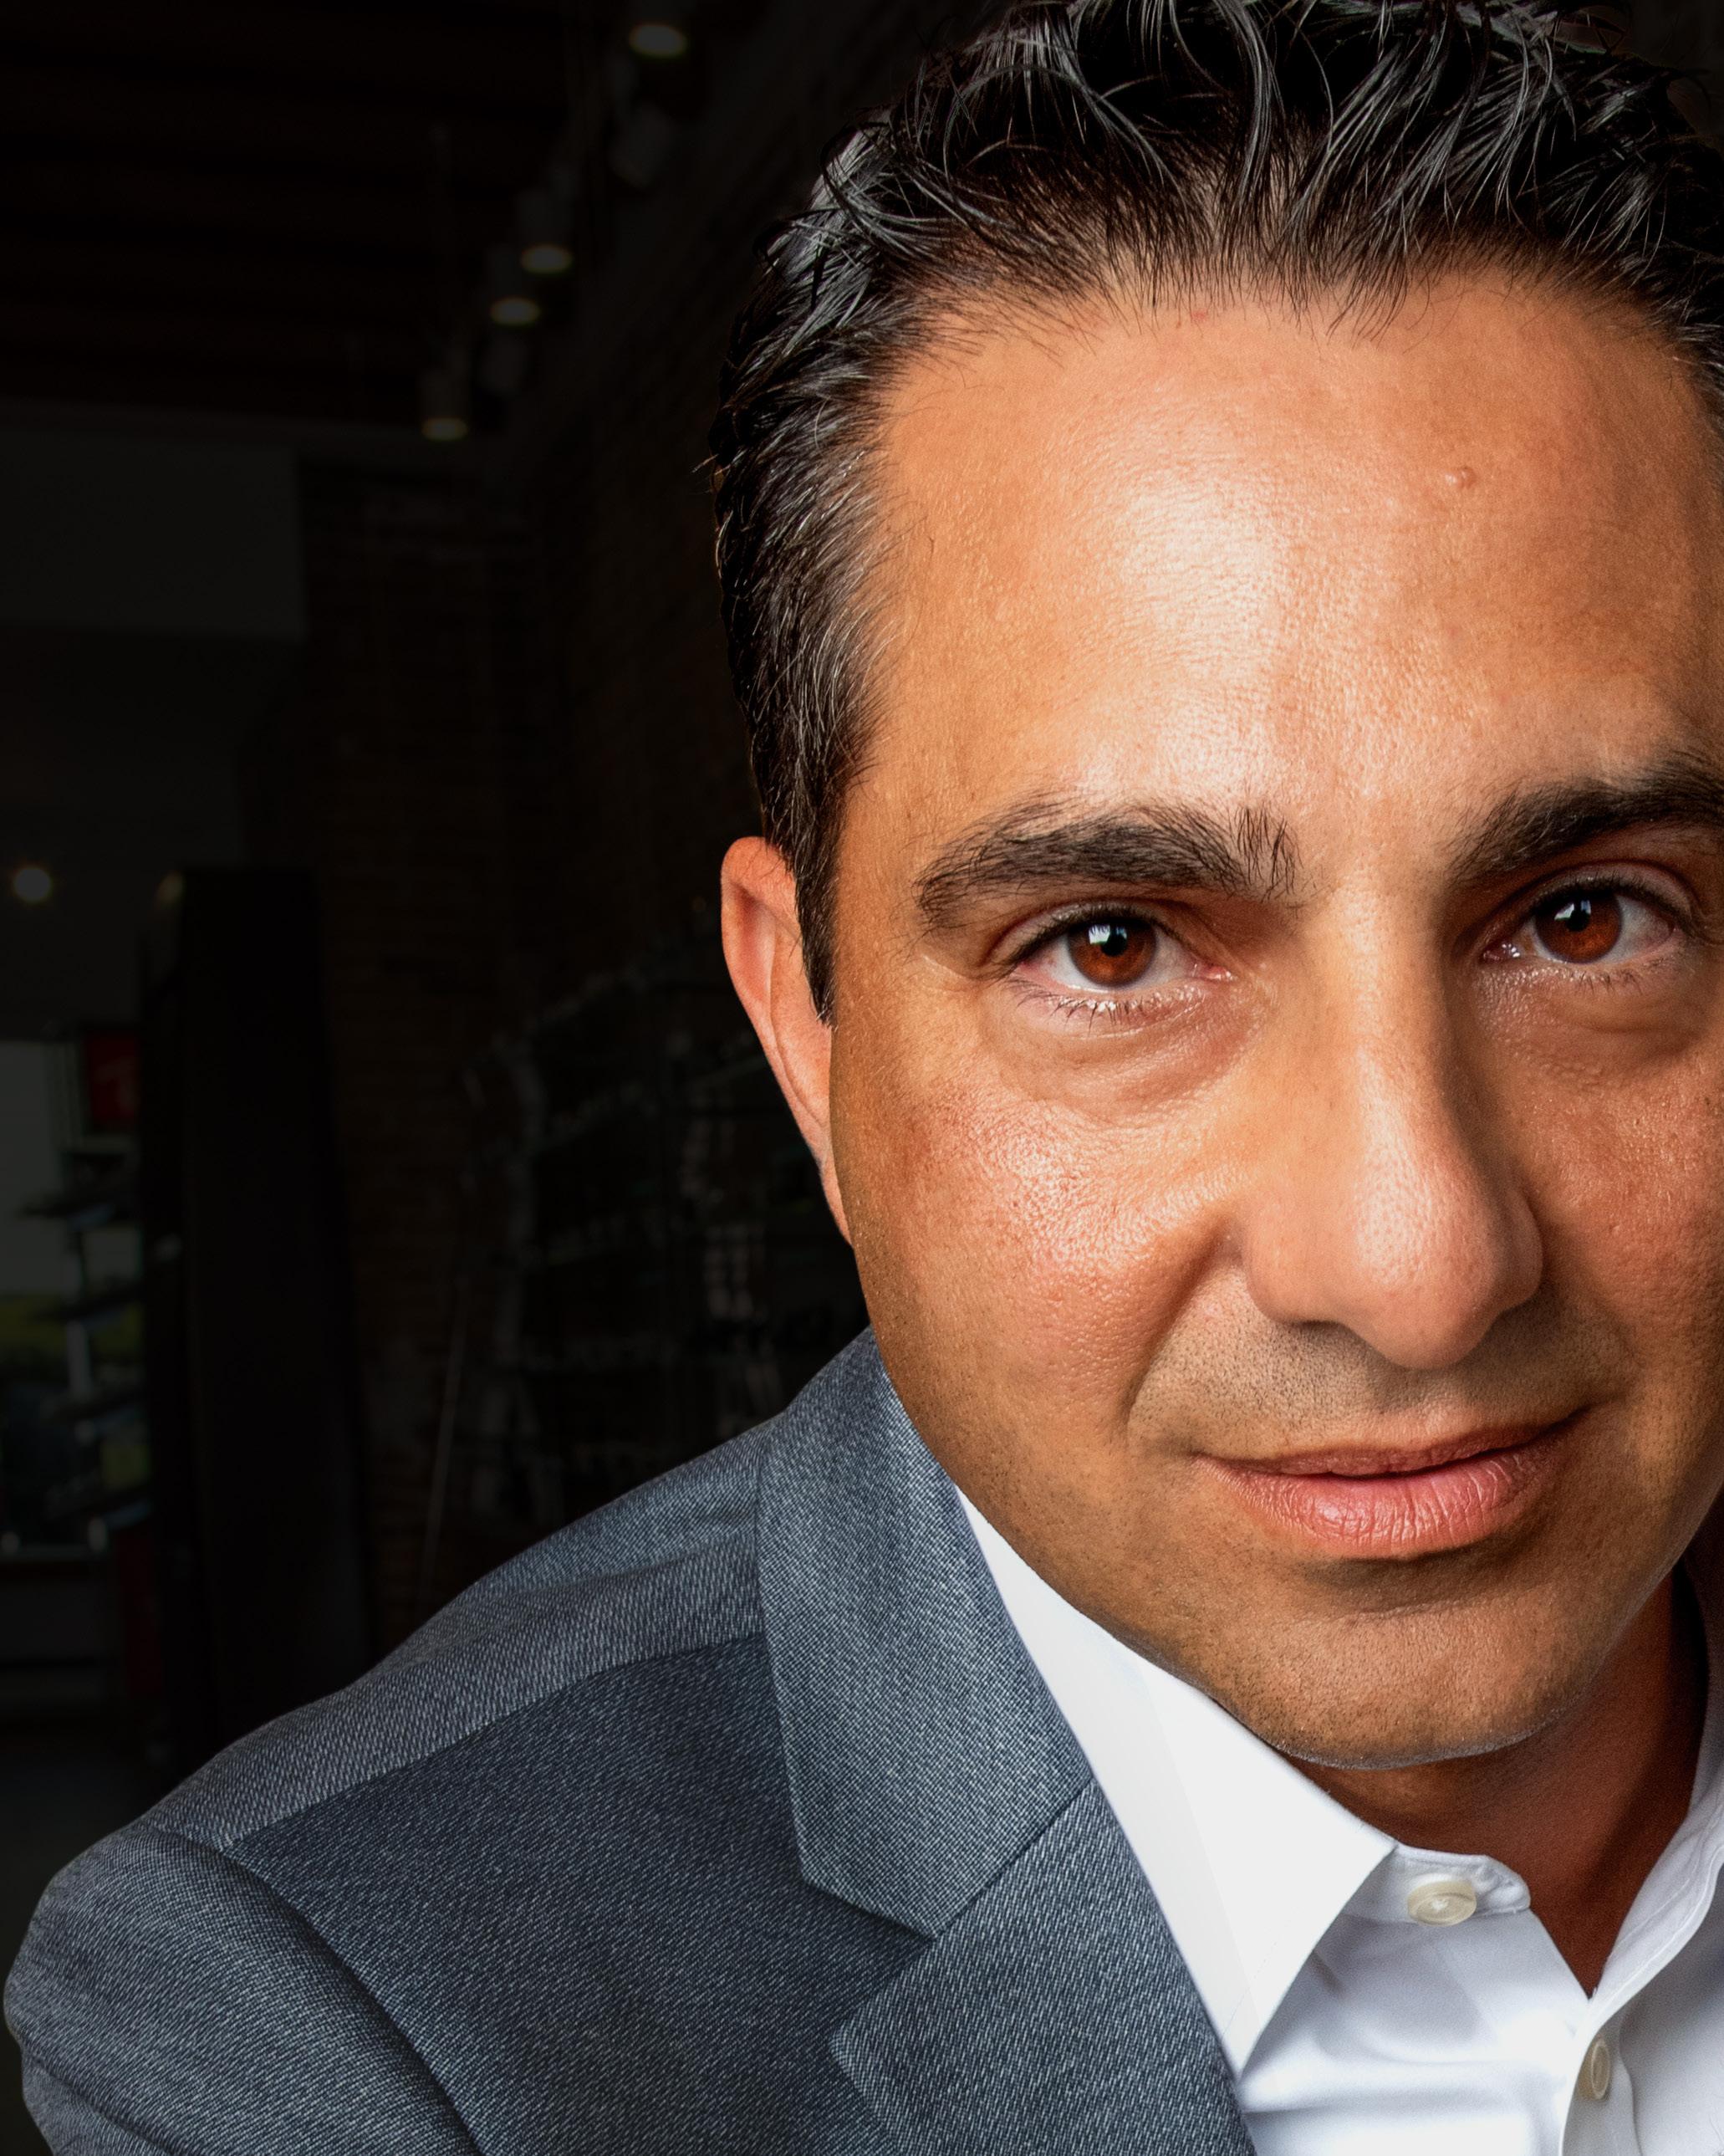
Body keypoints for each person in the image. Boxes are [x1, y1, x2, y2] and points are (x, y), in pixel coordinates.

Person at [13, 1, 1724, 2148]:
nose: (1415, 1262)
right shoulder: (328, 2029)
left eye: (1585, 918)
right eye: (1110, 947)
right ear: (800, 1030)